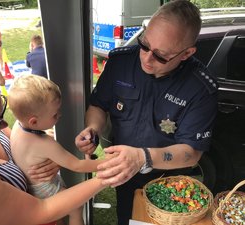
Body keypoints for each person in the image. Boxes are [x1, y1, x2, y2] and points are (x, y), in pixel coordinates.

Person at [75, 1, 219, 225]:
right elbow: (98, 105)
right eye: (144, 44)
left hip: (168, 180)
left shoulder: (200, 88)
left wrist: (143, 157)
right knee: (126, 218)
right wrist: (92, 129)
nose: (146, 58)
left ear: (186, 53)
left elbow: (192, 152)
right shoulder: (121, 62)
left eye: (161, 56)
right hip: (124, 171)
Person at [0, 63, 109, 225]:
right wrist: (111, 172)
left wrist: (51, 159)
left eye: (1, 111)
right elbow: (41, 210)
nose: (4, 125)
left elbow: (26, 149)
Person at [8, 74, 111, 225]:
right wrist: (109, 162)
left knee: (58, 216)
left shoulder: (18, 127)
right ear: (34, 121)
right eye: (55, 114)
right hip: (45, 188)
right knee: (75, 207)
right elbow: (77, 165)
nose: (60, 115)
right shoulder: (44, 143)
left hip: (32, 187)